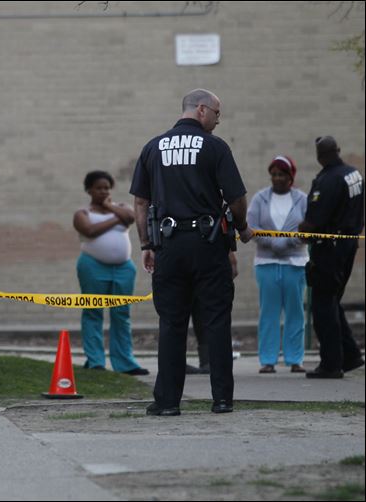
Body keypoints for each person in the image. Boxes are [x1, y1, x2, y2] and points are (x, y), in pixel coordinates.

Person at [130, 88, 253, 417]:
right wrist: (242, 228)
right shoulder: (215, 147)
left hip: (168, 245)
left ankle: (168, 402)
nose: (218, 120)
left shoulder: (153, 147)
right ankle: (222, 399)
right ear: (201, 109)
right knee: (216, 321)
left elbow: (140, 202)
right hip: (208, 244)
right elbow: (236, 198)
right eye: (217, 113)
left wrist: (146, 244)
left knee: (171, 323)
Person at [299, 136, 364, 379]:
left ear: (319, 156)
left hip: (329, 249)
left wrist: (303, 232)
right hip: (349, 245)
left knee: (323, 305)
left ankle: (331, 364)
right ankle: (351, 355)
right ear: (338, 150)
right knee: (333, 301)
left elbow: (314, 221)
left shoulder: (327, 180)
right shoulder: (354, 174)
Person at [73, 171, 149, 375]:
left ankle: (125, 363)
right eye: (99, 188)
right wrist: (116, 219)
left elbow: (131, 217)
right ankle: (95, 361)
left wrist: (110, 208)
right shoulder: (82, 213)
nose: (103, 191)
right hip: (92, 266)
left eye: (106, 188)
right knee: (93, 312)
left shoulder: (121, 207)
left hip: (123, 269)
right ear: (89, 190)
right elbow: (89, 231)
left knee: (121, 314)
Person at [247, 155, 309, 374]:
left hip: (295, 263)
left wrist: (290, 242)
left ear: (291, 177)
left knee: (295, 312)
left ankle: (295, 359)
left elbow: (309, 227)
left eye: (282, 174)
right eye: (274, 174)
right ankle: (268, 360)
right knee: (269, 313)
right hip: (267, 262)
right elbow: (251, 227)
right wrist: (273, 242)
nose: (277, 178)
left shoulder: (302, 199)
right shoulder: (259, 199)